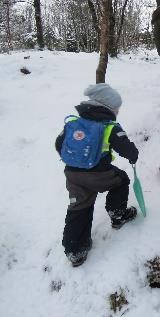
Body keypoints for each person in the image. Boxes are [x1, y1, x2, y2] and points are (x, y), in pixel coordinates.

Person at [55, 84, 139, 267]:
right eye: (116, 108)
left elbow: (58, 144)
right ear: (107, 107)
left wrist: (75, 159)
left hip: (72, 174)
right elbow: (126, 148)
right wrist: (134, 155)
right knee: (121, 180)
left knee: (79, 206)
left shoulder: (72, 123)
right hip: (98, 174)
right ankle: (118, 215)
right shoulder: (110, 126)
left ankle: (75, 251)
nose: (117, 111)